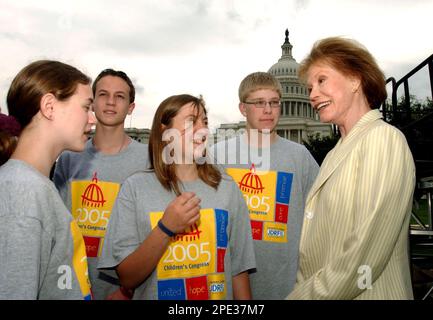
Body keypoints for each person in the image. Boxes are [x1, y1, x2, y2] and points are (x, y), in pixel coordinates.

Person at [286, 37, 415, 300]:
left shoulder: (382, 139)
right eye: (310, 87)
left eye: (321, 81)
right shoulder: (335, 153)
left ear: (355, 80)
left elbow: (364, 253)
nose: (311, 94)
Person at [98, 94, 256, 300]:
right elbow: (127, 278)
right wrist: (166, 228)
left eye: (205, 122)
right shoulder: (134, 189)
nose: (203, 130)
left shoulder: (227, 188)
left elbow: (238, 270)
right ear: (166, 132)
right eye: (192, 121)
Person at [211, 72, 319, 299]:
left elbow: (320, 215)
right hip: (228, 282)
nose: (268, 110)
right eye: (259, 103)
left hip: (286, 282)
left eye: (274, 103)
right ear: (243, 108)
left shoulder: (300, 156)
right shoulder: (217, 155)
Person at [0, 60, 96, 299]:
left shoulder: (34, 185)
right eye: (86, 107)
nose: (93, 119)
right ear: (49, 106)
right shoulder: (22, 192)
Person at [53, 69, 148, 300]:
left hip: (126, 286)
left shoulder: (149, 159)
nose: (111, 102)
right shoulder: (68, 156)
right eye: (103, 94)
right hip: (71, 281)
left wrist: (127, 290)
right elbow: (57, 226)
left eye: (120, 96)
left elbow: (154, 230)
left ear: (131, 107)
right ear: (92, 102)